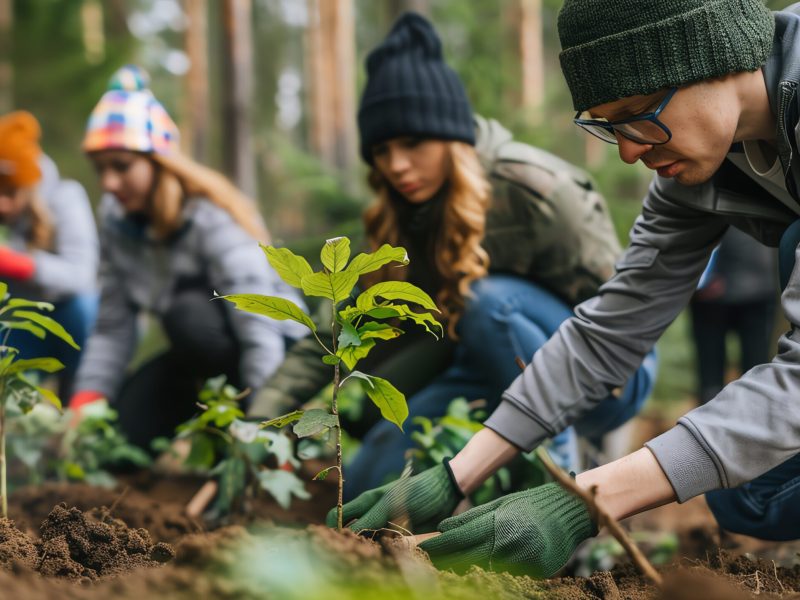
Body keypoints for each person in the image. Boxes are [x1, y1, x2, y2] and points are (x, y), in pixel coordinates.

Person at [332, 0, 800, 579]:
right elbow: (611, 326)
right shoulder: (695, 165)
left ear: (716, 57)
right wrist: (459, 473)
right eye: (609, 125)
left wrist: (583, 503)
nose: (628, 149)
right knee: (746, 493)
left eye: (635, 113)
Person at [252, 13, 657, 500]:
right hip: (486, 368)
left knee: (488, 301)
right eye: (381, 150)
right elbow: (335, 331)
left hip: (603, 378)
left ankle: (561, 487)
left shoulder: (537, 192)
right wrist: (260, 419)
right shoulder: (397, 217)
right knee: (365, 479)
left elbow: (620, 314)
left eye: (413, 143)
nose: (396, 165)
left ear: (451, 136)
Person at [70, 65, 306, 449]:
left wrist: (267, 422)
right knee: (123, 435)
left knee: (189, 314)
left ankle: (258, 433)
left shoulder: (211, 217)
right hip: (197, 355)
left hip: (278, 355)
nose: (108, 183)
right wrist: (86, 400)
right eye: (100, 170)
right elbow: (113, 326)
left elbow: (260, 323)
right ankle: (214, 428)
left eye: (122, 166)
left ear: (159, 162)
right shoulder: (116, 224)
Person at [0, 110, 99, 396]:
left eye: (10, 192)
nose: (2, 203)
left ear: (29, 185)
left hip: (72, 320)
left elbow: (82, 275)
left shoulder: (67, 197)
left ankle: (79, 400)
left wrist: (19, 265)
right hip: (18, 326)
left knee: (85, 307)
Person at [690, 227, 778, 404]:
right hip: (759, 285)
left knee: (712, 376)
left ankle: (711, 422)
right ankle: (751, 418)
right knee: (756, 375)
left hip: (724, 291)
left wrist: (711, 275)